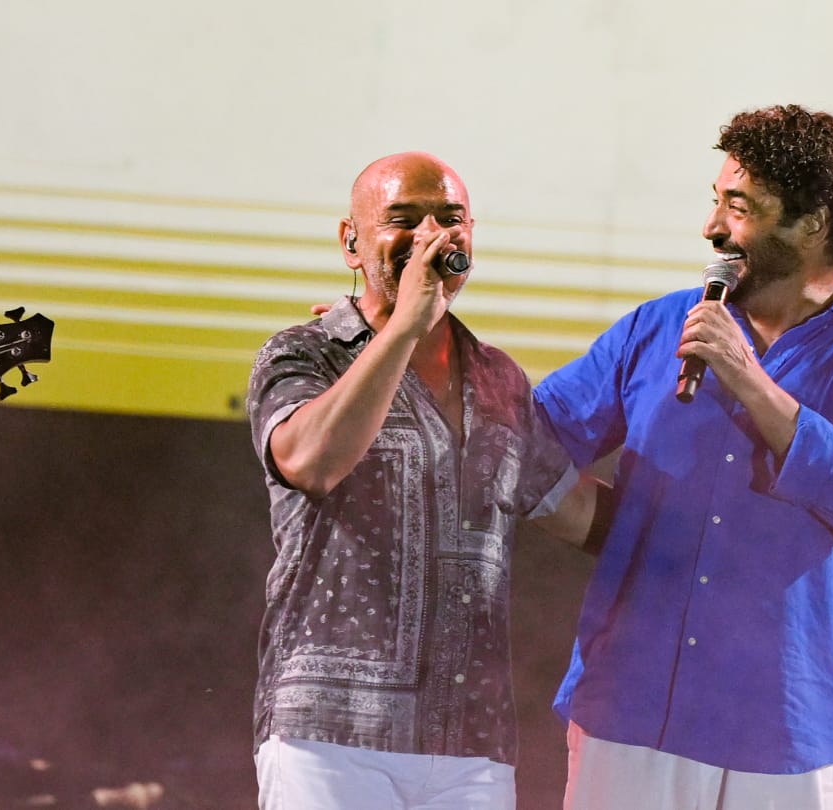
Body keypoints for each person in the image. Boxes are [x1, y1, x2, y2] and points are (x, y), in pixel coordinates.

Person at [535, 104, 833, 810]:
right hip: (628, 705)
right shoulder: (657, 326)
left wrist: (748, 378)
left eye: (739, 207)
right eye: (716, 200)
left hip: (781, 726)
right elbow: (531, 441)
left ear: (812, 223)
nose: (712, 227)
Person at [246, 151, 599, 810]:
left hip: (470, 740)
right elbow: (310, 462)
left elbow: (578, 514)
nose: (431, 236)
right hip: (331, 734)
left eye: (449, 218)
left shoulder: (498, 378)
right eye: (403, 219)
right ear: (351, 243)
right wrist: (405, 325)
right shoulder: (306, 352)